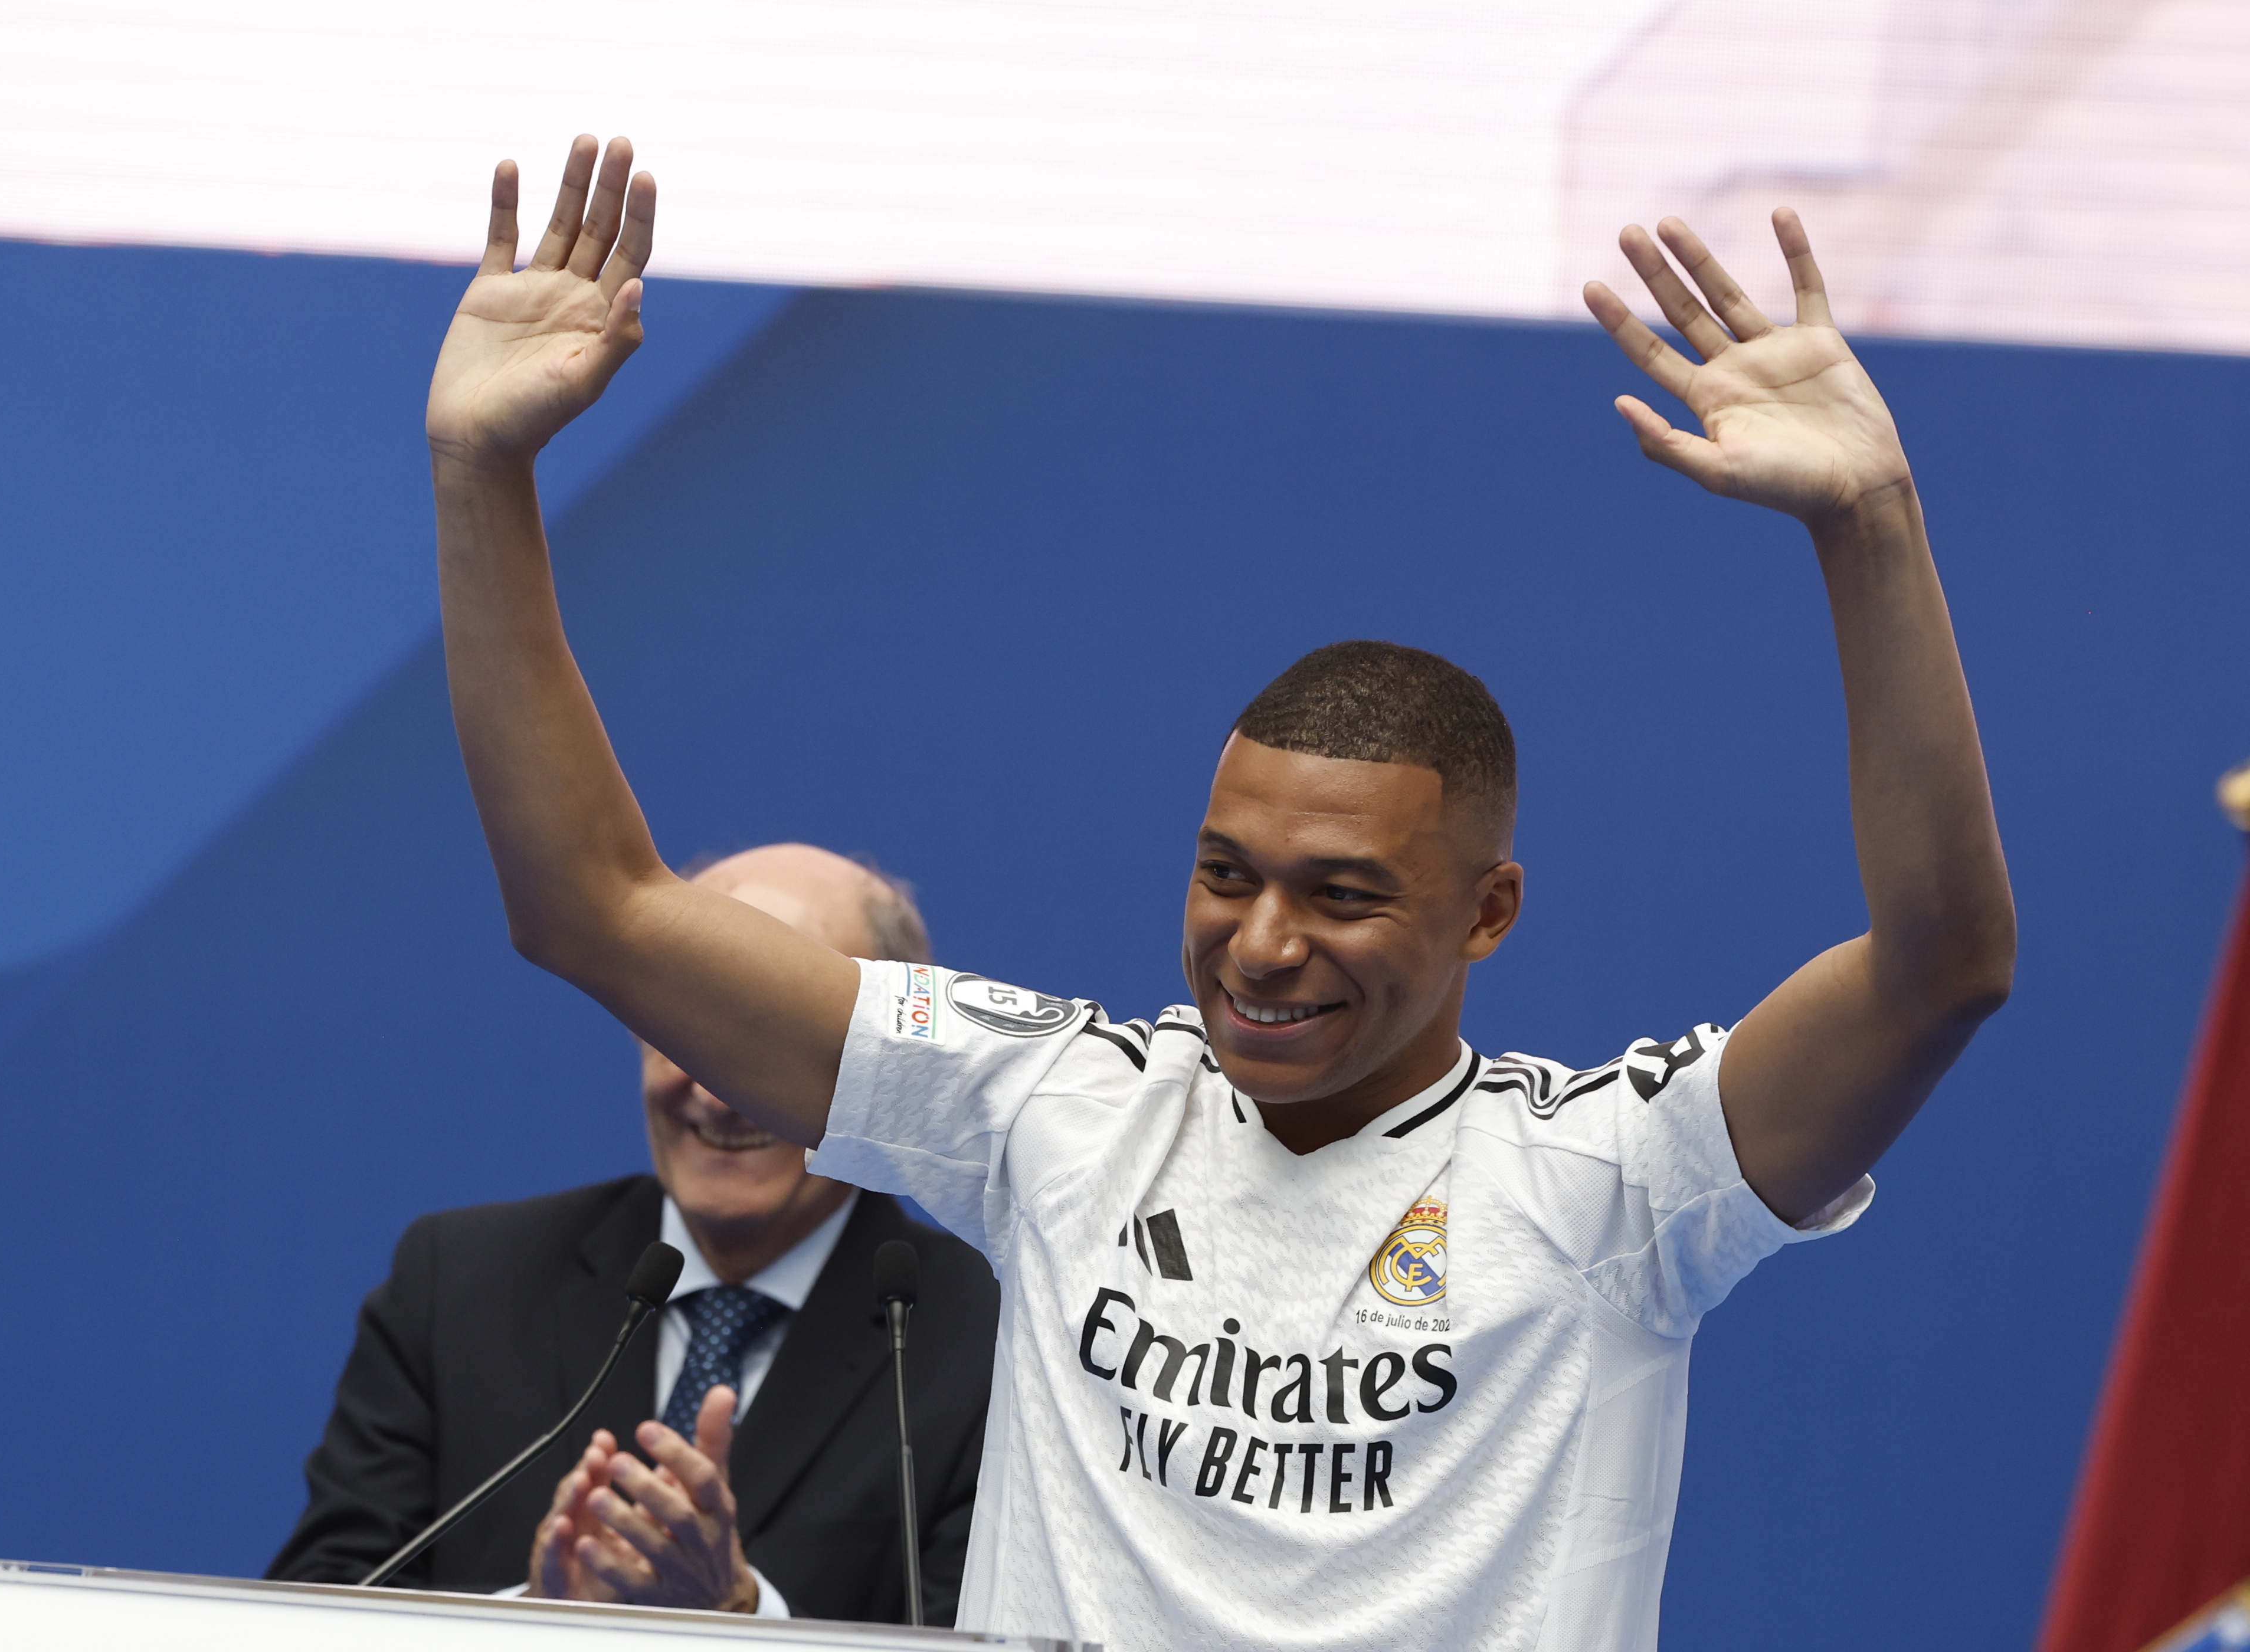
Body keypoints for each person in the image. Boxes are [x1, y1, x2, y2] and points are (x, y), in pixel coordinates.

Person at [417, 133, 2016, 1651]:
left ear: (1490, 914)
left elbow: (1943, 968)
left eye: (1342, 896)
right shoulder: (1047, 1109)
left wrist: (1872, 530)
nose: (1260, 945)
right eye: (1225, 875)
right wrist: (481, 469)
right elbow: (596, 906)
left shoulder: (1615, 1180)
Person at [267, 843, 1000, 1625]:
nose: (719, 1090)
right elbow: (318, 1608)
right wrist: (538, 1618)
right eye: (684, 1023)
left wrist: (742, 1616)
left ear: (882, 1072)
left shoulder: (993, 1338)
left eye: (773, 1035)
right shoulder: (461, 1283)